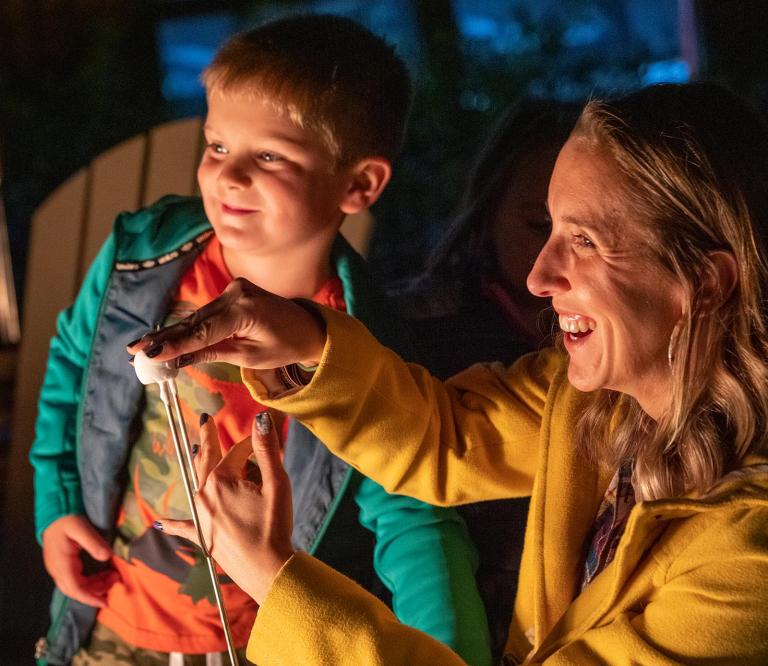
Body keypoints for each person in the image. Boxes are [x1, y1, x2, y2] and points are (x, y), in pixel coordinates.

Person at [138, 81, 768, 665]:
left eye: (585, 242)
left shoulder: (747, 561)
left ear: (704, 283)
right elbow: (446, 436)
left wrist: (274, 579)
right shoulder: (593, 399)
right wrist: (304, 342)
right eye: (546, 227)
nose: (539, 277)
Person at [30, 15, 491, 665]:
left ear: (359, 184)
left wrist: (449, 655)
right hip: (111, 614)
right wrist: (56, 509)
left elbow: (417, 519)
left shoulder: (369, 357)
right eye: (216, 146)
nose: (227, 176)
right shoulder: (142, 258)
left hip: (263, 640)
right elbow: (72, 368)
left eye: (269, 155)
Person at [392, 98, 580, 660]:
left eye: (586, 233)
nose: (553, 256)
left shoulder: (638, 352)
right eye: (537, 224)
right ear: (487, 211)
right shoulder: (419, 332)